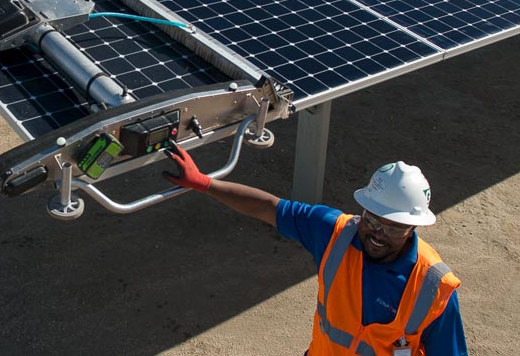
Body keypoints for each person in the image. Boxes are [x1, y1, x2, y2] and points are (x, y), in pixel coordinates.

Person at [164, 144, 467, 355]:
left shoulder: (432, 289)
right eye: (372, 219)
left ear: (413, 228)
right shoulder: (335, 233)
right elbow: (269, 207)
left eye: (393, 228)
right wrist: (205, 183)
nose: (377, 234)